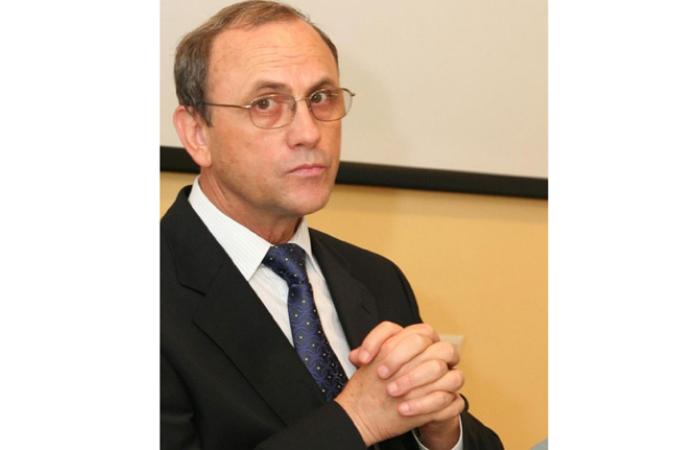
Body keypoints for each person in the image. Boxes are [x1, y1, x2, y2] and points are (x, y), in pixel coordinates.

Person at [161, 1, 503, 449]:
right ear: (196, 134)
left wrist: (440, 430)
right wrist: (357, 419)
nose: (309, 133)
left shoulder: (377, 278)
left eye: (321, 98)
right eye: (266, 104)